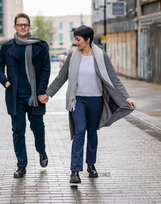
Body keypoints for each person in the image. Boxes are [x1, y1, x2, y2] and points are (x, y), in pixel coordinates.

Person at [39, 25, 136, 184]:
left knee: (92, 132)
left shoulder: (101, 56)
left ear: (88, 39)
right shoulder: (72, 56)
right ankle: (75, 171)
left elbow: (114, 79)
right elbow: (61, 77)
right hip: (77, 100)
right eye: (75, 39)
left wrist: (126, 97)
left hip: (96, 100)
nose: (76, 42)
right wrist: (48, 93)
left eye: (78, 39)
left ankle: (91, 165)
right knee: (80, 131)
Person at [0, 13, 51, 178]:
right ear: (15, 27)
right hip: (15, 97)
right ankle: (21, 165)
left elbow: (46, 69)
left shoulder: (40, 46)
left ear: (29, 26)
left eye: (25, 24)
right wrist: (4, 81)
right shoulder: (8, 46)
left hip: (35, 97)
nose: (23, 27)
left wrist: (42, 91)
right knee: (18, 131)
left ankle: (41, 151)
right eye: (20, 25)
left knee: (38, 128)